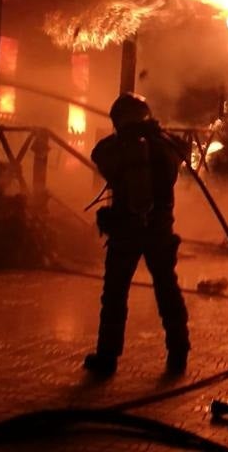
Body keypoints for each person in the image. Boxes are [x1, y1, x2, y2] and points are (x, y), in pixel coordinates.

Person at [83, 93, 190, 377]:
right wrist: (156, 132)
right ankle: (179, 352)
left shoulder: (119, 147)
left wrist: (125, 137)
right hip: (160, 231)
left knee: (114, 295)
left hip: (126, 232)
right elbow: (182, 152)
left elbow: (99, 155)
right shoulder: (165, 145)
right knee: (167, 290)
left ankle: (107, 357)